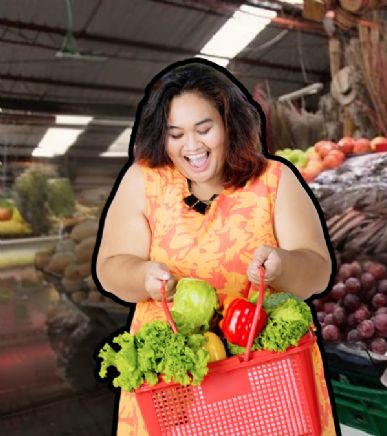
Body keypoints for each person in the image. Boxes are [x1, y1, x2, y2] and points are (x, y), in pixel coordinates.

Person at [95, 59, 336, 435]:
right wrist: (143, 275)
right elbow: (110, 267)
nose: (191, 146)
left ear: (229, 125)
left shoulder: (275, 181)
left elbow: (317, 272)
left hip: (269, 385)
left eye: (204, 129)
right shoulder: (143, 181)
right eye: (175, 134)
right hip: (171, 392)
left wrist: (282, 265)